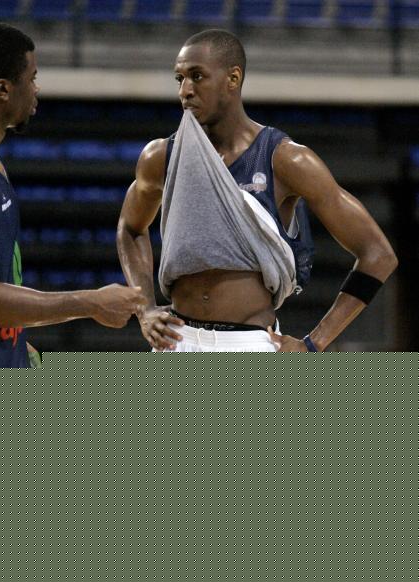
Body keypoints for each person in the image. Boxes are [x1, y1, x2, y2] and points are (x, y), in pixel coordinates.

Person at [117, 29, 398, 352]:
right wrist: (145, 308)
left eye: (197, 76)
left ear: (233, 78)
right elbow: (130, 228)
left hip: (249, 343)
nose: (185, 91)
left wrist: (313, 343)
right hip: (177, 340)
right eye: (179, 79)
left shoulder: (286, 159)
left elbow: (378, 255)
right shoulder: (160, 157)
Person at [0, 22, 145, 367]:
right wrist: (90, 302)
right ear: (3, 89)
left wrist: (14, 338)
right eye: (32, 78)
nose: (37, 89)